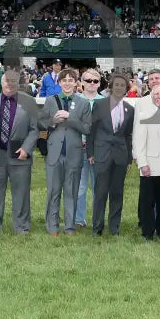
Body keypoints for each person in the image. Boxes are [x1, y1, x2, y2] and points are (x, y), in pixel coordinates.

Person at [0, 70, 40, 233]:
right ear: (1, 82)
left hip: (19, 155)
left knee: (21, 192)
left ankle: (21, 226)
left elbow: (35, 129)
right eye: (6, 81)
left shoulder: (29, 101)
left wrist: (26, 148)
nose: (9, 84)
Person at [41, 68, 91, 235]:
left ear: (76, 83)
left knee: (71, 191)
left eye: (71, 80)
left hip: (74, 153)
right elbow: (41, 127)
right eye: (64, 80)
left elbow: (87, 128)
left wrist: (71, 117)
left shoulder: (83, 103)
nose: (67, 83)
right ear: (59, 82)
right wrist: (52, 122)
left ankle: (70, 226)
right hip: (55, 153)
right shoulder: (50, 100)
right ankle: (52, 226)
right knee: (53, 191)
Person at [86, 72, 134, 236]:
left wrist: (129, 159)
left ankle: (114, 228)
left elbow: (128, 136)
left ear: (126, 89)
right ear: (111, 87)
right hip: (102, 154)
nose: (119, 88)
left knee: (117, 193)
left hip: (120, 156)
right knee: (100, 193)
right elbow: (91, 131)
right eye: (117, 85)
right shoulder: (99, 105)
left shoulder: (130, 109)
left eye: (123, 85)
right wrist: (90, 152)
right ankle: (97, 227)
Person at [132, 81, 160, 240]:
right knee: (147, 202)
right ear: (151, 96)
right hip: (150, 165)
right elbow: (138, 141)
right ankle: (147, 232)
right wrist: (142, 164)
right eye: (156, 94)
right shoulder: (144, 115)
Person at [75, 68, 106, 228]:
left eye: (95, 81)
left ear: (99, 84)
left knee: (98, 186)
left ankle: (97, 218)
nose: (92, 84)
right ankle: (79, 219)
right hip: (79, 149)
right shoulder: (75, 100)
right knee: (80, 185)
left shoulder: (105, 101)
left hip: (99, 150)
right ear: (82, 83)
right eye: (88, 81)